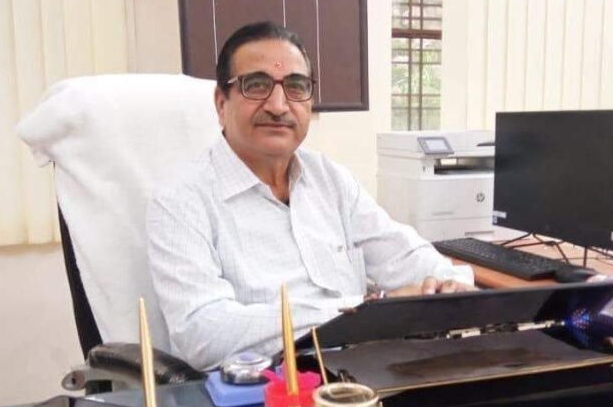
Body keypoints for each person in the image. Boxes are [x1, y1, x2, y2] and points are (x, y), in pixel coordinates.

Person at [147, 21, 474, 371]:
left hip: (363, 378)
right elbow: (203, 334)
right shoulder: (180, 201)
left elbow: (407, 257)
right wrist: (364, 309)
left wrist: (447, 285)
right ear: (220, 103)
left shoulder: (330, 180)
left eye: (295, 87)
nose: (278, 105)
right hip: (263, 391)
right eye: (256, 85)